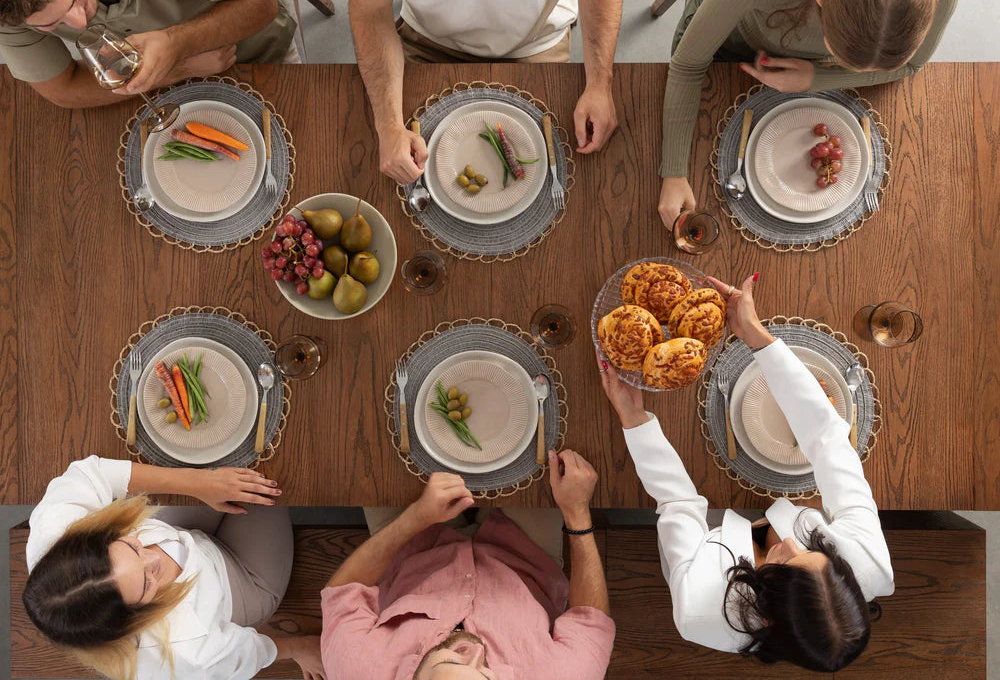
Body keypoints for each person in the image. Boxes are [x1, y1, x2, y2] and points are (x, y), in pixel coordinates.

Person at [597, 273, 894, 672]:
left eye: (784, 564)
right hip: (780, 494)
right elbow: (827, 440)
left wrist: (634, 418)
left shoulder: (699, 609)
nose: (791, 545)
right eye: (810, 552)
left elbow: (679, 503)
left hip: (706, 537)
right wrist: (754, 335)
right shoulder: (867, 563)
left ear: (765, 610)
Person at [657, 0, 960, 229]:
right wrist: (673, 173)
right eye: (840, 57)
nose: (852, 73)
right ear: (820, 1)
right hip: (731, 45)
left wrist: (816, 78)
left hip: (798, 68)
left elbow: (911, 67)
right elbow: (687, 64)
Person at [343, 0, 623, 185]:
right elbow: (370, 12)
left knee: (559, 175)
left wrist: (600, 83)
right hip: (428, 41)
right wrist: (388, 125)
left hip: (538, 41)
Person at [22, 457, 325, 680]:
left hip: (177, 529)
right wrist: (299, 648)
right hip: (244, 581)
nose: (155, 559)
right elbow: (246, 653)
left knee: (237, 457)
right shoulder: (180, 656)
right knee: (270, 477)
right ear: (131, 621)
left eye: (132, 548)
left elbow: (92, 473)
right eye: (146, 583)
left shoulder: (57, 531)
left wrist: (199, 485)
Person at [320, 456, 616, 678]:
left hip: (411, 544)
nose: (476, 651)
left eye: (450, 659)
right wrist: (576, 512)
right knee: (545, 450)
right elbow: (590, 620)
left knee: (375, 451)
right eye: (488, 674)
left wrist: (416, 517)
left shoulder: (356, 669)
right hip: (525, 555)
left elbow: (343, 592)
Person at [0, 0, 298, 109]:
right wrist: (179, 67)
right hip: (163, 89)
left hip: (257, 55)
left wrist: (176, 43)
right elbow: (62, 90)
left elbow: (263, 4)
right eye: (49, 24)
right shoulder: (7, 7)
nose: (78, 23)